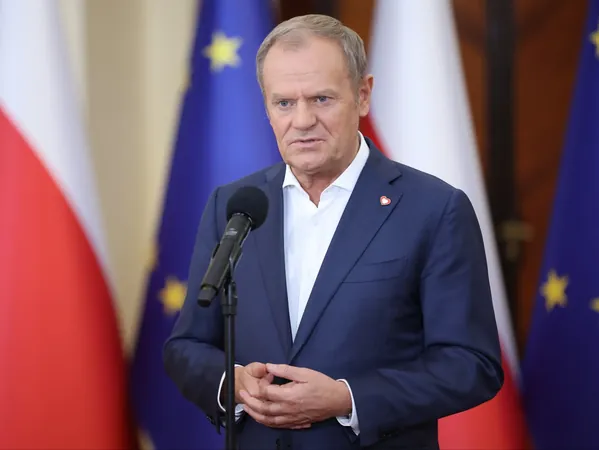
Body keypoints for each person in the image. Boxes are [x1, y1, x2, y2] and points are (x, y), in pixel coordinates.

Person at [163, 13, 503, 450]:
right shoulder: (233, 206)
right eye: (284, 103)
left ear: (362, 96)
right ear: (266, 108)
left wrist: (348, 398)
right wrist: (234, 383)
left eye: (321, 99)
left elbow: (470, 364)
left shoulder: (434, 209)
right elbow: (187, 345)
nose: (302, 120)